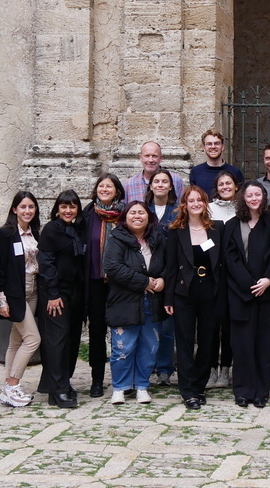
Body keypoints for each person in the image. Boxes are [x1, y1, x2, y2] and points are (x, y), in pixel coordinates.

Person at [223, 181, 270, 407]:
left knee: (263, 343)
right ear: (243, 198)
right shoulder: (232, 225)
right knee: (241, 345)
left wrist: (268, 280)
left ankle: (261, 391)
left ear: (263, 197)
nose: (253, 198)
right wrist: (249, 284)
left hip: (266, 293)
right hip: (239, 294)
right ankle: (242, 390)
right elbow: (230, 259)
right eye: (249, 195)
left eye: (257, 195)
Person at [163, 185, 224, 410]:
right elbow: (170, 268)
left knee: (208, 342)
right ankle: (187, 390)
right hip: (184, 293)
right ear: (185, 205)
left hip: (210, 292)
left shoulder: (217, 229)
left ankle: (199, 386)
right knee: (185, 342)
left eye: (200, 200)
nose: (196, 204)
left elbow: (222, 265)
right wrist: (168, 299)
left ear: (205, 203)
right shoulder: (176, 231)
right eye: (191, 200)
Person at [104, 201, 168, 405]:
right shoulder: (116, 239)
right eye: (133, 213)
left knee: (149, 346)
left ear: (149, 217)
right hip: (124, 302)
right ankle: (120, 387)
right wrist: (145, 282)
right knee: (123, 347)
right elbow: (113, 267)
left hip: (153, 302)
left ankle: (142, 385)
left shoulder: (157, 239)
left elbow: (169, 264)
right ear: (125, 217)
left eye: (142, 212)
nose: (137, 216)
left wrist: (163, 279)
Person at [36, 189, 88, 408]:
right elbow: (46, 263)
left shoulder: (78, 229)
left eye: (72, 206)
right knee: (57, 340)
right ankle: (57, 389)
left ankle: (62, 382)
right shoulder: (51, 230)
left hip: (76, 293)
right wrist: (53, 294)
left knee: (72, 339)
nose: (68, 210)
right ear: (57, 209)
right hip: (56, 294)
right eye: (64, 206)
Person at [0, 191, 41, 408]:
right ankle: (14, 384)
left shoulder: (35, 234)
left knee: (16, 340)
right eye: (23, 207)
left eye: (31, 207)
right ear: (14, 209)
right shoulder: (5, 234)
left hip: (33, 291)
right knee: (33, 339)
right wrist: (1, 299)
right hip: (15, 292)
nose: (27, 211)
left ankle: (7, 389)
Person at [83, 174, 126, 397]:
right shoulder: (88, 214)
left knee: (122, 332)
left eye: (109, 186)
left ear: (117, 190)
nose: (104, 189)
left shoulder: (125, 215)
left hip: (120, 284)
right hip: (95, 282)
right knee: (97, 332)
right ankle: (97, 379)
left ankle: (124, 379)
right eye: (101, 185)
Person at [206, 169, 241, 389]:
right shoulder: (209, 208)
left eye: (229, 183)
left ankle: (226, 368)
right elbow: (203, 237)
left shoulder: (242, 208)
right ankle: (210, 368)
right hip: (211, 272)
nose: (225, 187)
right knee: (211, 324)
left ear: (236, 186)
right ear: (216, 187)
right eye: (221, 184)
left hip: (235, 274)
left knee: (229, 324)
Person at [146, 169, 179, 387]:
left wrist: (167, 277)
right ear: (150, 186)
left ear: (170, 186)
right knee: (148, 326)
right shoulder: (142, 211)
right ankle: (147, 367)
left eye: (164, 181)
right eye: (156, 181)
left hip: (171, 275)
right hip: (147, 277)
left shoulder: (176, 213)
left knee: (168, 327)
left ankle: (165, 370)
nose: (160, 184)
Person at [190, 129, 243, 195]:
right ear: (204, 148)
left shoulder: (235, 172)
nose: (213, 146)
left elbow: (240, 199)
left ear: (222, 147)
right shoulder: (196, 172)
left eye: (217, 143)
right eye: (209, 144)